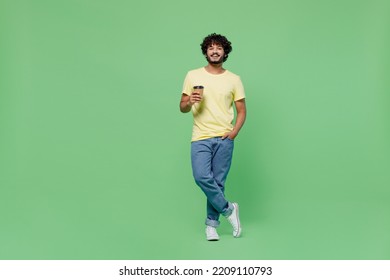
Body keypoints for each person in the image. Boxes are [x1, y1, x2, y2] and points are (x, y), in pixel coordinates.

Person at [179, 33, 247, 241]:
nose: (214, 51)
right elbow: (182, 107)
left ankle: (211, 226)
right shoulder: (192, 75)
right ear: (206, 52)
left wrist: (234, 132)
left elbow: (242, 110)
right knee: (201, 177)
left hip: (224, 138)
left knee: (218, 183)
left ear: (225, 52)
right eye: (210, 47)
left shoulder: (234, 79)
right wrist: (189, 100)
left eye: (219, 48)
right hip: (200, 136)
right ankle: (228, 209)